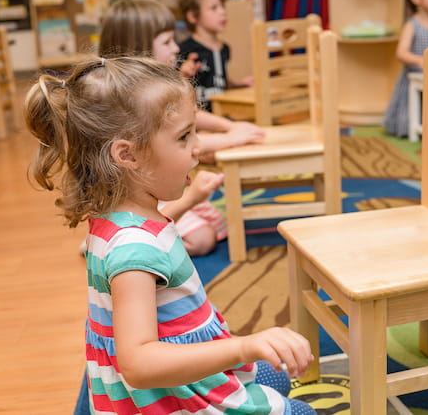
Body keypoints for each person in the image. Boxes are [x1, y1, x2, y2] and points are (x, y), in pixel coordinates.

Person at [25, 56, 316, 414]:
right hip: (168, 396)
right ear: (128, 155)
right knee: (302, 411)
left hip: (184, 374)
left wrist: (192, 199)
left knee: (276, 372)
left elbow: (157, 233)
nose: (198, 147)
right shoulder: (133, 252)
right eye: (183, 137)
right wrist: (244, 347)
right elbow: (139, 363)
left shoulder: (122, 215)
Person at [97, 0, 266, 256]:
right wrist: (232, 138)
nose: (176, 48)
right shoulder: (134, 97)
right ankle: (116, 233)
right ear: (137, 49)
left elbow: (188, 116)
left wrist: (228, 126)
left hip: (158, 186)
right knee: (202, 239)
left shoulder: (156, 84)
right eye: (166, 42)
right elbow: (179, 144)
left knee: (221, 222)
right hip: (136, 198)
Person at [383, 0, 428, 138]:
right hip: (416, 75)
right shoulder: (412, 24)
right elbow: (401, 53)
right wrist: (419, 60)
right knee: (412, 111)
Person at [177, 0, 253, 111]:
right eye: (214, 8)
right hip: (199, 119)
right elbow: (176, 89)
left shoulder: (225, 48)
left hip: (223, 113)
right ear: (192, 16)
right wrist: (183, 74)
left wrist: (240, 84)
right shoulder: (184, 49)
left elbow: (221, 81)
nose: (223, 12)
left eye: (222, 6)